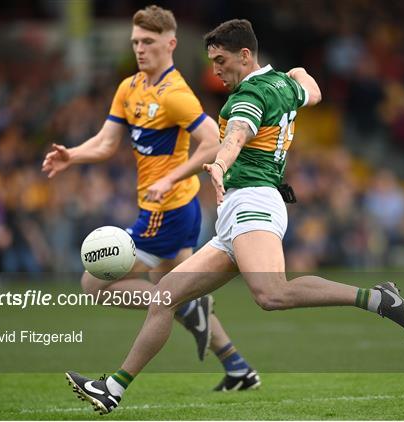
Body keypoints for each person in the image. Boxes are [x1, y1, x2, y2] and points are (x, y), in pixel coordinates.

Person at [65, 18, 404, 414]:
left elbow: (236, 135)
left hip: (252, 203)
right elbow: (313, 91)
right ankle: (112, 388)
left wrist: (218, 165)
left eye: (220, 60)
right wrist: (297, 73)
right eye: (212, 61)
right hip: (242, 211)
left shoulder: (246, 98)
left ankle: (375, 298)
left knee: (272, 294)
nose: (214, 69)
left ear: (245, 55)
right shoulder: (285, 86)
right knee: (165, 295)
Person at [43, 7, 260, 392]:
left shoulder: (175, 94)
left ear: (171, 44)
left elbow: (212, 141)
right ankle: (238, 366)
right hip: (170, 207)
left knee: (94, 282)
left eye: (148, 42)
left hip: (169, 210)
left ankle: (184, 310)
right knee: (177, 288)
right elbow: (108, 142)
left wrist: (171, 177)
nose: (140, 49)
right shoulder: (129, 88)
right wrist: (72, 155)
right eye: (136, 42)